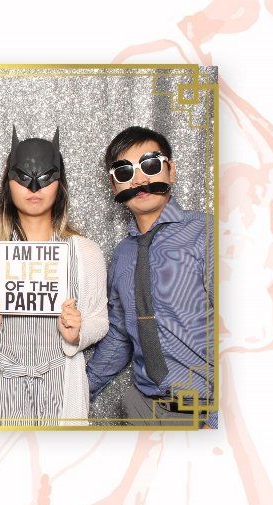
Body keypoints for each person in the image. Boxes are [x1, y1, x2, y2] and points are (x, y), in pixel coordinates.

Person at [0, 130, 108, 424]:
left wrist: (78, 333)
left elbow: (100, 319)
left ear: (60, 184)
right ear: (8, 183)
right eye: (22, 177)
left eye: (45, 177)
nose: (33, 187)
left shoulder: (86, 252)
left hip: (61, 384)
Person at [86, 125, 213, 426]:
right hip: (143, 410)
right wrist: (71, 393)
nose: (140, 179)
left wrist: (221, 423)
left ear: (171, 171)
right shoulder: (122, 255)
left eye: (150, 165)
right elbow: (119, 337)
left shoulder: (208, 234)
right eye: (125, 172)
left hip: (205, 412)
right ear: (114, 185)